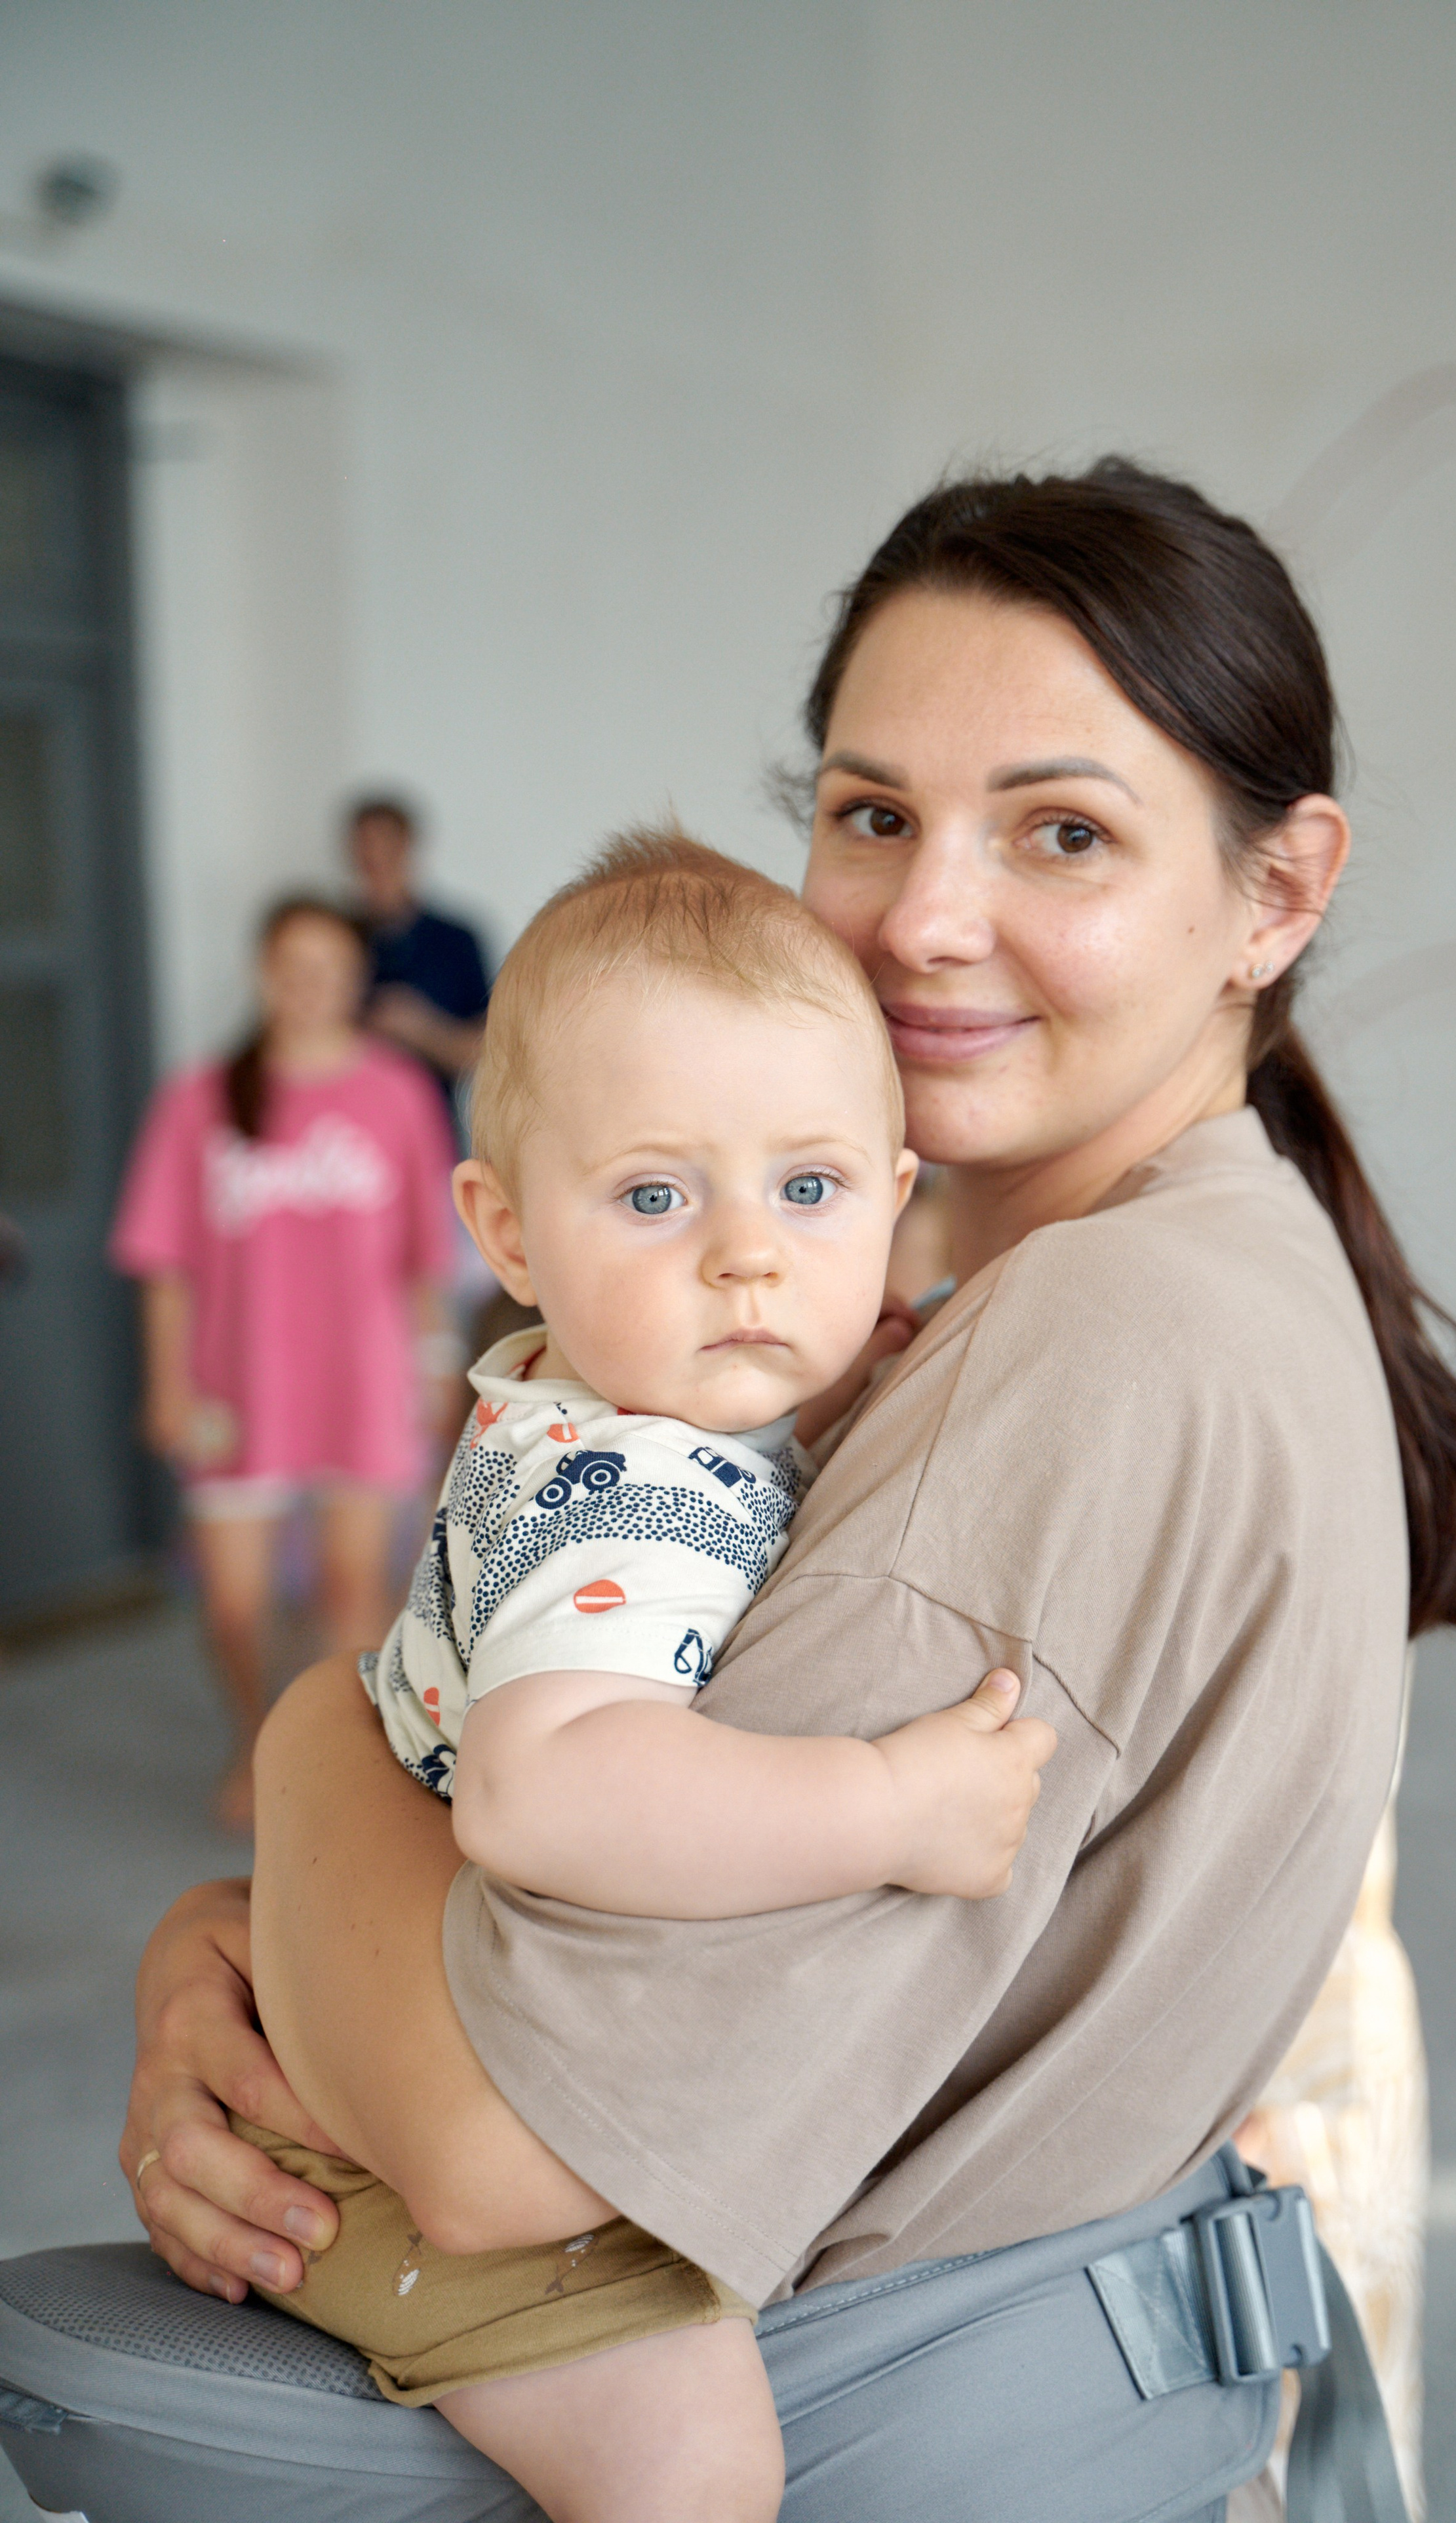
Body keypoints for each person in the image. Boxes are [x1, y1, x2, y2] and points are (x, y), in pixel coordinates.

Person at [120, 460, 1456, 2516]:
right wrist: (229, 1938)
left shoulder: (1090, 1352)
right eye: (872, 814)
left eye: (1060, 829)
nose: (921, 920)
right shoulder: (1044, 1276)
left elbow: (514, 2146)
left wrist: (312, 1748)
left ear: (1277, 891)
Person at [233, 831, 1050, 2522]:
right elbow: (550, 1788)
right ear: (507, 1230)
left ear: (894, 1211)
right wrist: (884, 1798)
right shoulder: (638, 1497)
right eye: (657, 1196)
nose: (747, 1259)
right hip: (398, 2127)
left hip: (376, 1991)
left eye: (808, 1191)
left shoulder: (619, 1391)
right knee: (694, 2464)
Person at [110, 894, 460, 1829]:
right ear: (263, 973)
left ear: (354, 980)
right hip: (239, 1388)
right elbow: (164, 1262)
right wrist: (166, 1382)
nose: (309, 986)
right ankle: (255, 1739)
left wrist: (435, 1364)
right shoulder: (201, 1097)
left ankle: (334, 1767)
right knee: (234, 1602)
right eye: (291, 966)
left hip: (364, 1382)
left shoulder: (398, 1092)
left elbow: (427, 1255)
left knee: (352, 1589)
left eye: (328, 967)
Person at [347, 793, 494, 1123]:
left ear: (408, 847)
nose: (376, 858)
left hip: (431, 1125)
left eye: (386, 846)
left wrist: (422, 1030)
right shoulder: (335, 936)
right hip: (348, 1126)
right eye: (366, 848)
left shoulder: (456, 940)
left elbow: (487, 1050)